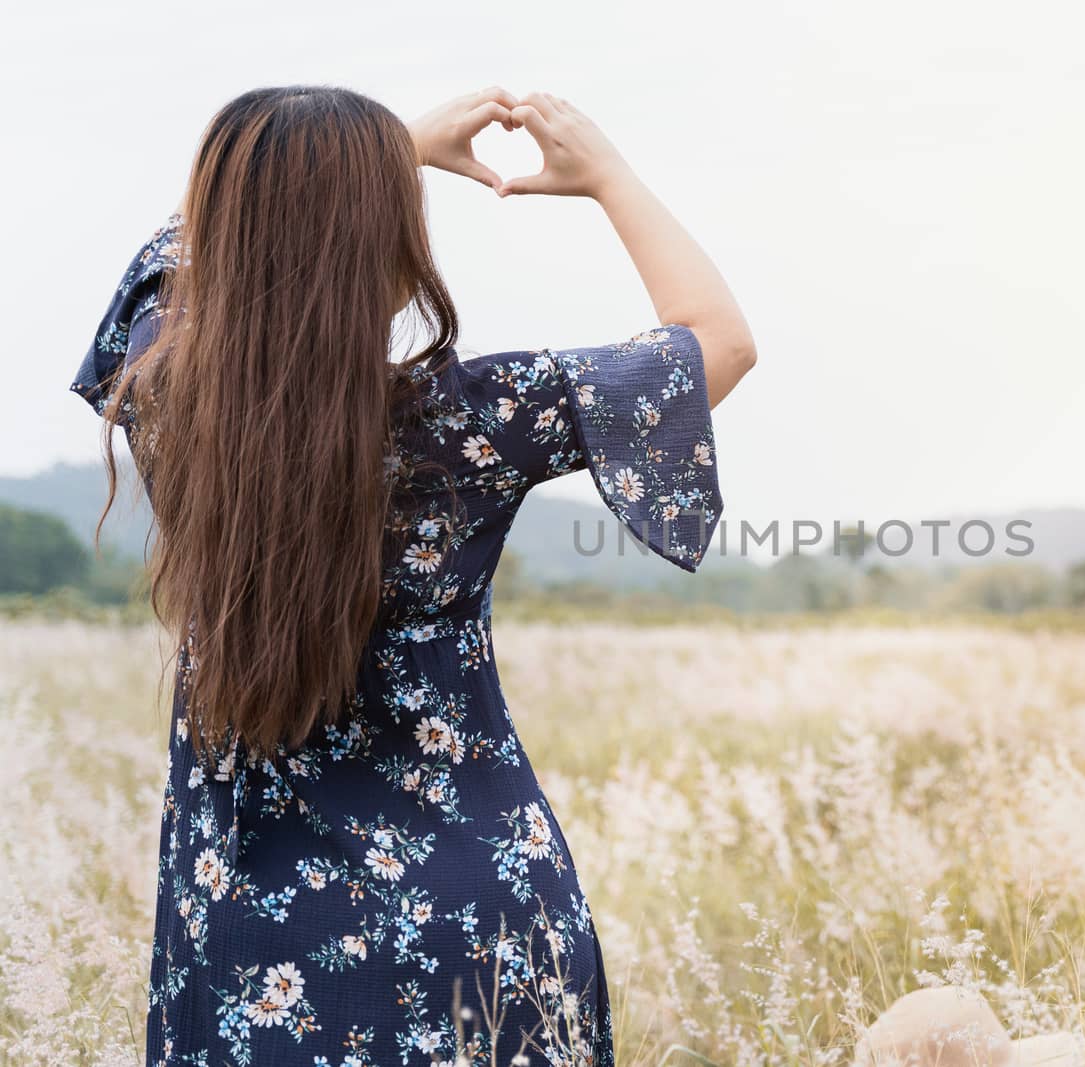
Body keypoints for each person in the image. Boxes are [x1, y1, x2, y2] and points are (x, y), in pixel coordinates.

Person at [68, 84, 756, 1066]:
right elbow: (716, 338)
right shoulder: (472, 418)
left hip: (248, 952)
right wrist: (607, 176)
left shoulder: (176, 408)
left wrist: (379, 151)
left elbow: (163, 268)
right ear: (390, 250)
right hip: (483, 937)